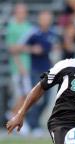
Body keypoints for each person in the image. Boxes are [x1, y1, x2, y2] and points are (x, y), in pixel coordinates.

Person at [18, 10, 60, 135]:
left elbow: (58, 47)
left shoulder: (53, 33)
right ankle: (32, 124)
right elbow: (19, 47)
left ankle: (33, 123)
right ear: (39, 20)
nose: (47, 21)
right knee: (34, 98)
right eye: (44, 18)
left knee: (46, 100)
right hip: (35, 71)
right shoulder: (33, 33)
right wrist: (32, 49)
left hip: (49, 71)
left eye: (49, 18)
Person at [5, 3, 32, 135]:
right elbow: (12, 49)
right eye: (20, 11)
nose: (22, 14)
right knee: (24, 96)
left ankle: (17, 117)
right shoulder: (12, 27)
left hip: (27, 66)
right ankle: (14, 115)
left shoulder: (28, 26)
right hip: (19, 68)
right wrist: (20, 66)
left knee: (27, 95)